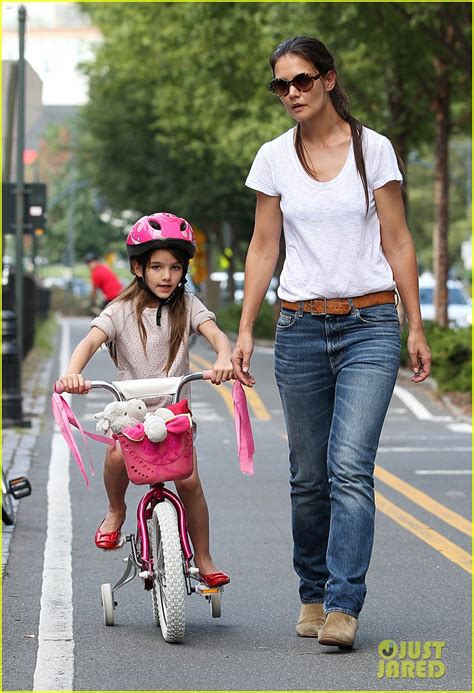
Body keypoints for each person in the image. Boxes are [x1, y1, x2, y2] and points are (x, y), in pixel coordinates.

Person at [231, 36, 431, 649]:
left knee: (348, 468)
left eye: (302, 81)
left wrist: (416, 323)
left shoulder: (374, 151)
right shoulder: (273, 158)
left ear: (328, 80)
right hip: (297, 328)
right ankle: (312, 593)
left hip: (370, 324)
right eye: (281, 85)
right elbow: (264, 246)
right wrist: (243, 328)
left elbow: (397, 240)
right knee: (308, 476)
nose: (291, 93)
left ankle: (344, 605)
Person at [61, 212, 233, 587]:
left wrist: (223, 358)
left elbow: (216, 334)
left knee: (189, 482)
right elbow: (90, 341)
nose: (166, 276)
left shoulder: (188, 305)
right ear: (138, 267)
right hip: (131, 413)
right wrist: (73, 372)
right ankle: (115, 508)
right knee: (116, 455)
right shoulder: (120, 310)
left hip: (174, 413)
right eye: (156, 266)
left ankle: (203, 557)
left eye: (174, 267)